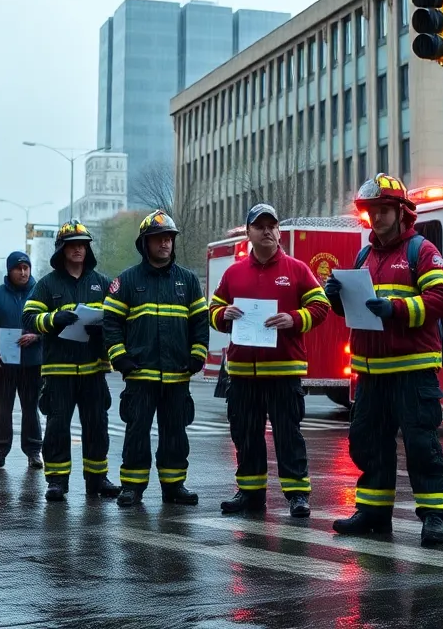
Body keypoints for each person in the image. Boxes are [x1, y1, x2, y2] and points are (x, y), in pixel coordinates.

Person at [323, 174, 443, 547]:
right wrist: (336, 296)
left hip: (413, 372)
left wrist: (395, 309)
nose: (376, 218)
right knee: (368, 443)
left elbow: (442, 299)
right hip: (371, 373)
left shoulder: (422, 250)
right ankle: (373, 513)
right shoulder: (364, 255)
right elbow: (355, 309)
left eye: (383, 210)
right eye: (371, 212)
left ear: (402, 213)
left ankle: (434, 516)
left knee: (421, 444)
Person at [209, 203, 330, 518]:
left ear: (278, 231)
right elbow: (213, 310)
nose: (267, 231)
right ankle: (250, 493)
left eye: (271, 226)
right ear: (248, 232)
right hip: (242, 373)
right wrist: (223, 314)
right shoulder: (234, 273)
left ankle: (297, 496)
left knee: (288, 435)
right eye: (259, 226)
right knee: (245, 435)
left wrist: (294, 318)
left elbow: (321, 306)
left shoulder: (297, 269)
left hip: (283, 371)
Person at [102, 210, 209, 508]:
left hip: (177, 375)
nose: (165, 244)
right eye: (159, 239)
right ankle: (132, 488)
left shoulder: (187, 281)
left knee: (175, 433)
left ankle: (174, 486)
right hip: (140, 374)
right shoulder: (126, 282)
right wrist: (120, 358)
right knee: (136, 432)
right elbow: (111, 324)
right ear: (145, 243)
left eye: (169, 239)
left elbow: (201, 323)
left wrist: (197, 356)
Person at [24, 220, 122, 501]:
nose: (78, 249)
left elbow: (116, 320)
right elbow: (29, 318)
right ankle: (56, 481)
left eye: (82, 245)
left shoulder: (102, 283)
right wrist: (53, 319)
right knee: (57, 428)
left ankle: (98, 479)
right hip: (58, 371)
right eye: (72, 245)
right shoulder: (47, 284)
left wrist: (102, 329)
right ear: (62, 249)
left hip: (93, 370)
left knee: (97, 426)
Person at [0, 251, 42, 472]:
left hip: (32, 363)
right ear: (9, 271)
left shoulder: (40, 294)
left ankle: (34, 452)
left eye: (26, 268)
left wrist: (37, 337)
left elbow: (51, 323)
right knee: (1, 409)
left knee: (30, 409)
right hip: (3, 364)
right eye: (18, 268)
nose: (23, 272)